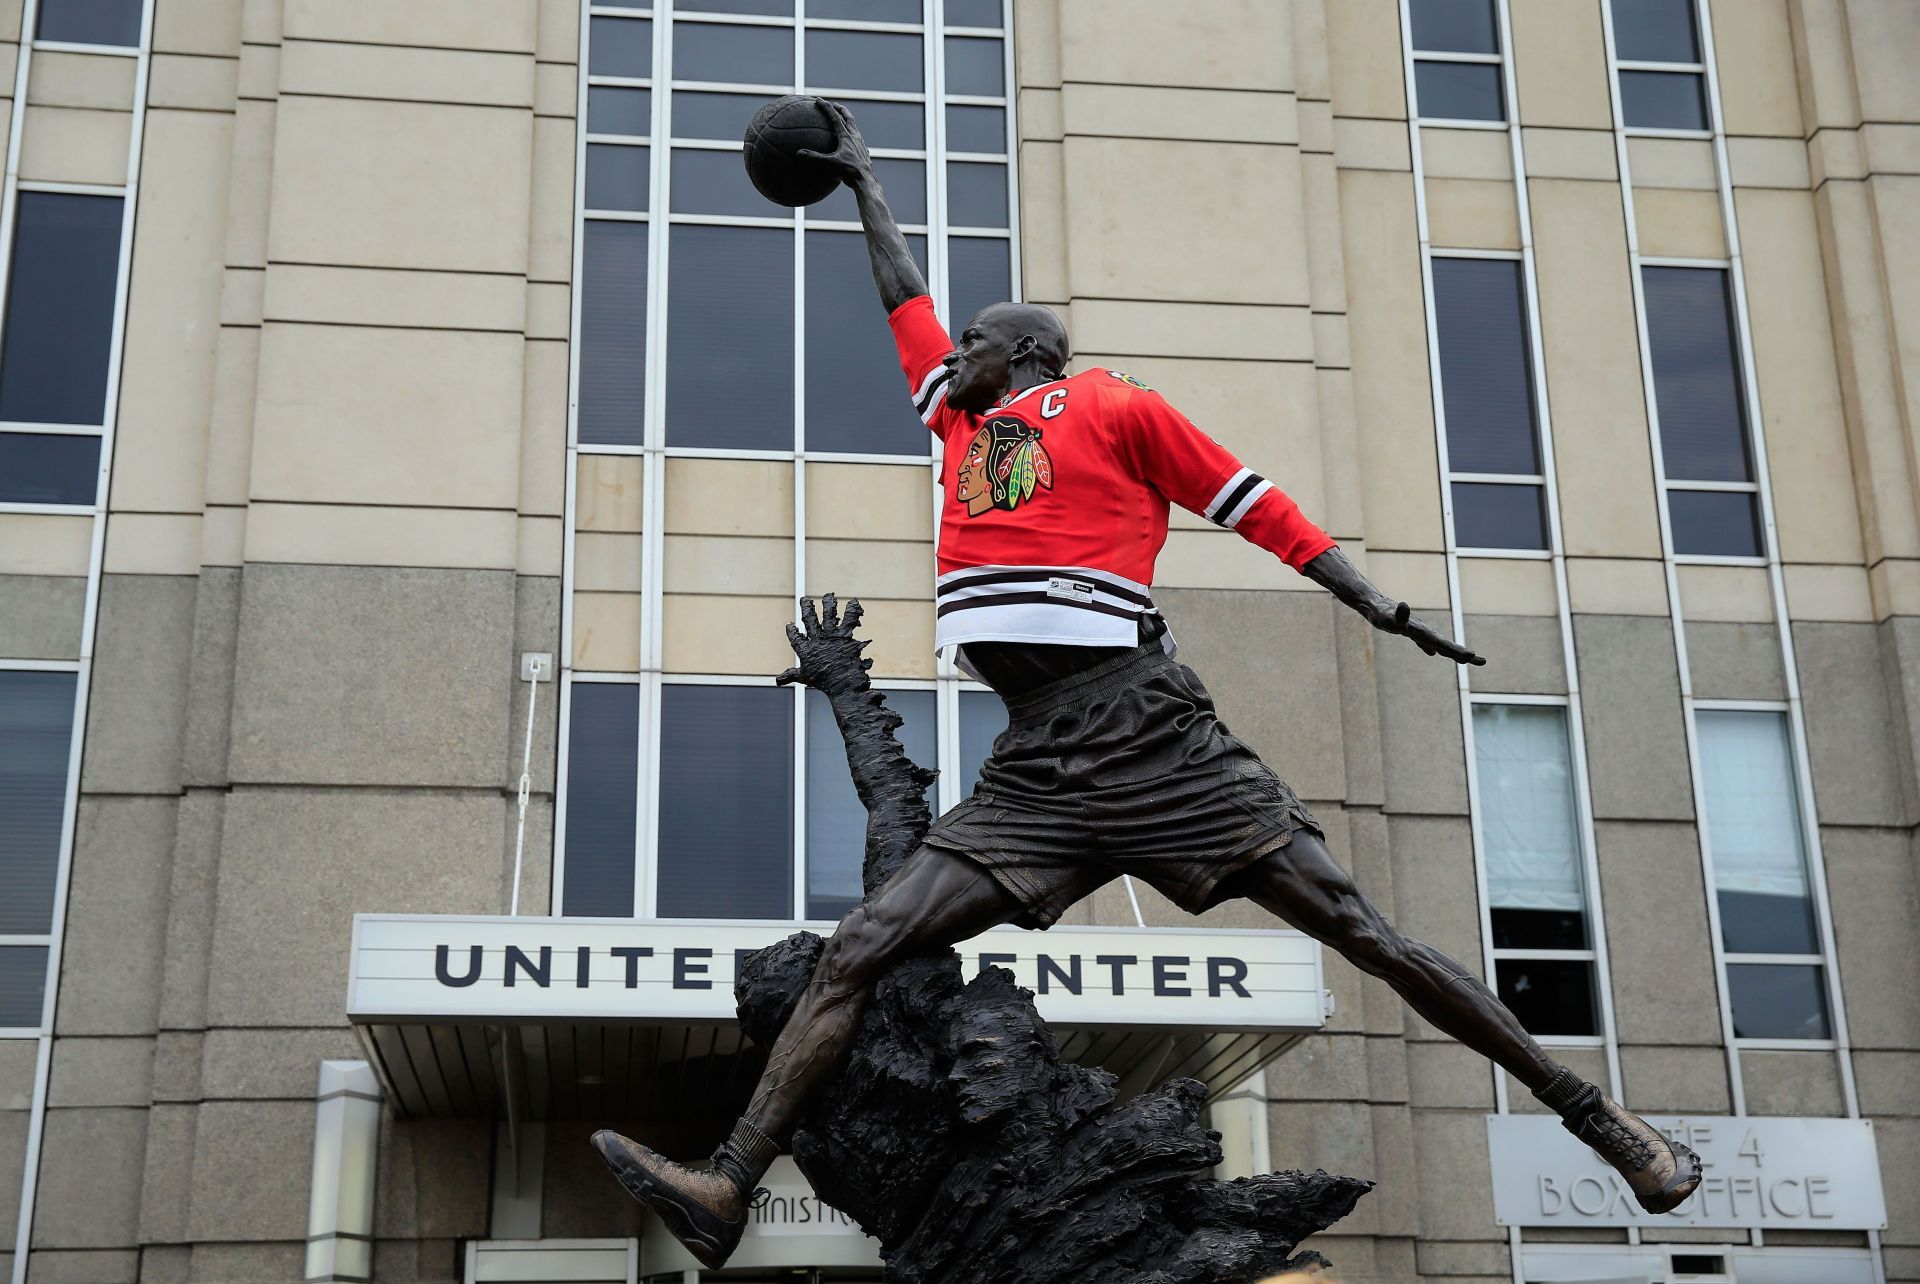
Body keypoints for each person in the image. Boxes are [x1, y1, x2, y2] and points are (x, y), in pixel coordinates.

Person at [593, 101, 1700, 1268]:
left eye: (975, 340)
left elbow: (1250, 501)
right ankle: (724, 1187)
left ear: (1025, 353)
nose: (950, 352)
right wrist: (867, 187)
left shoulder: (1114, 404)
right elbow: (901, 301)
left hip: (1151, 733)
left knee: (1364, 934)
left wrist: (1374, 602)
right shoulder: (958, 428)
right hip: (1039, 762)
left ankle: (1599, 1118)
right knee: (863, 943)